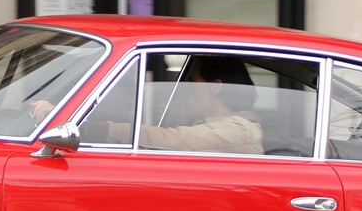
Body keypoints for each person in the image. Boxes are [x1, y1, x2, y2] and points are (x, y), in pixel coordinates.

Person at [103, 55, 263, 155]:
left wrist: (106, 130)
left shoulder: (240, 131)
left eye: (191, 83)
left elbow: (172, 141)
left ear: (215, 87)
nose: (185, 91)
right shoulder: (224, 127)